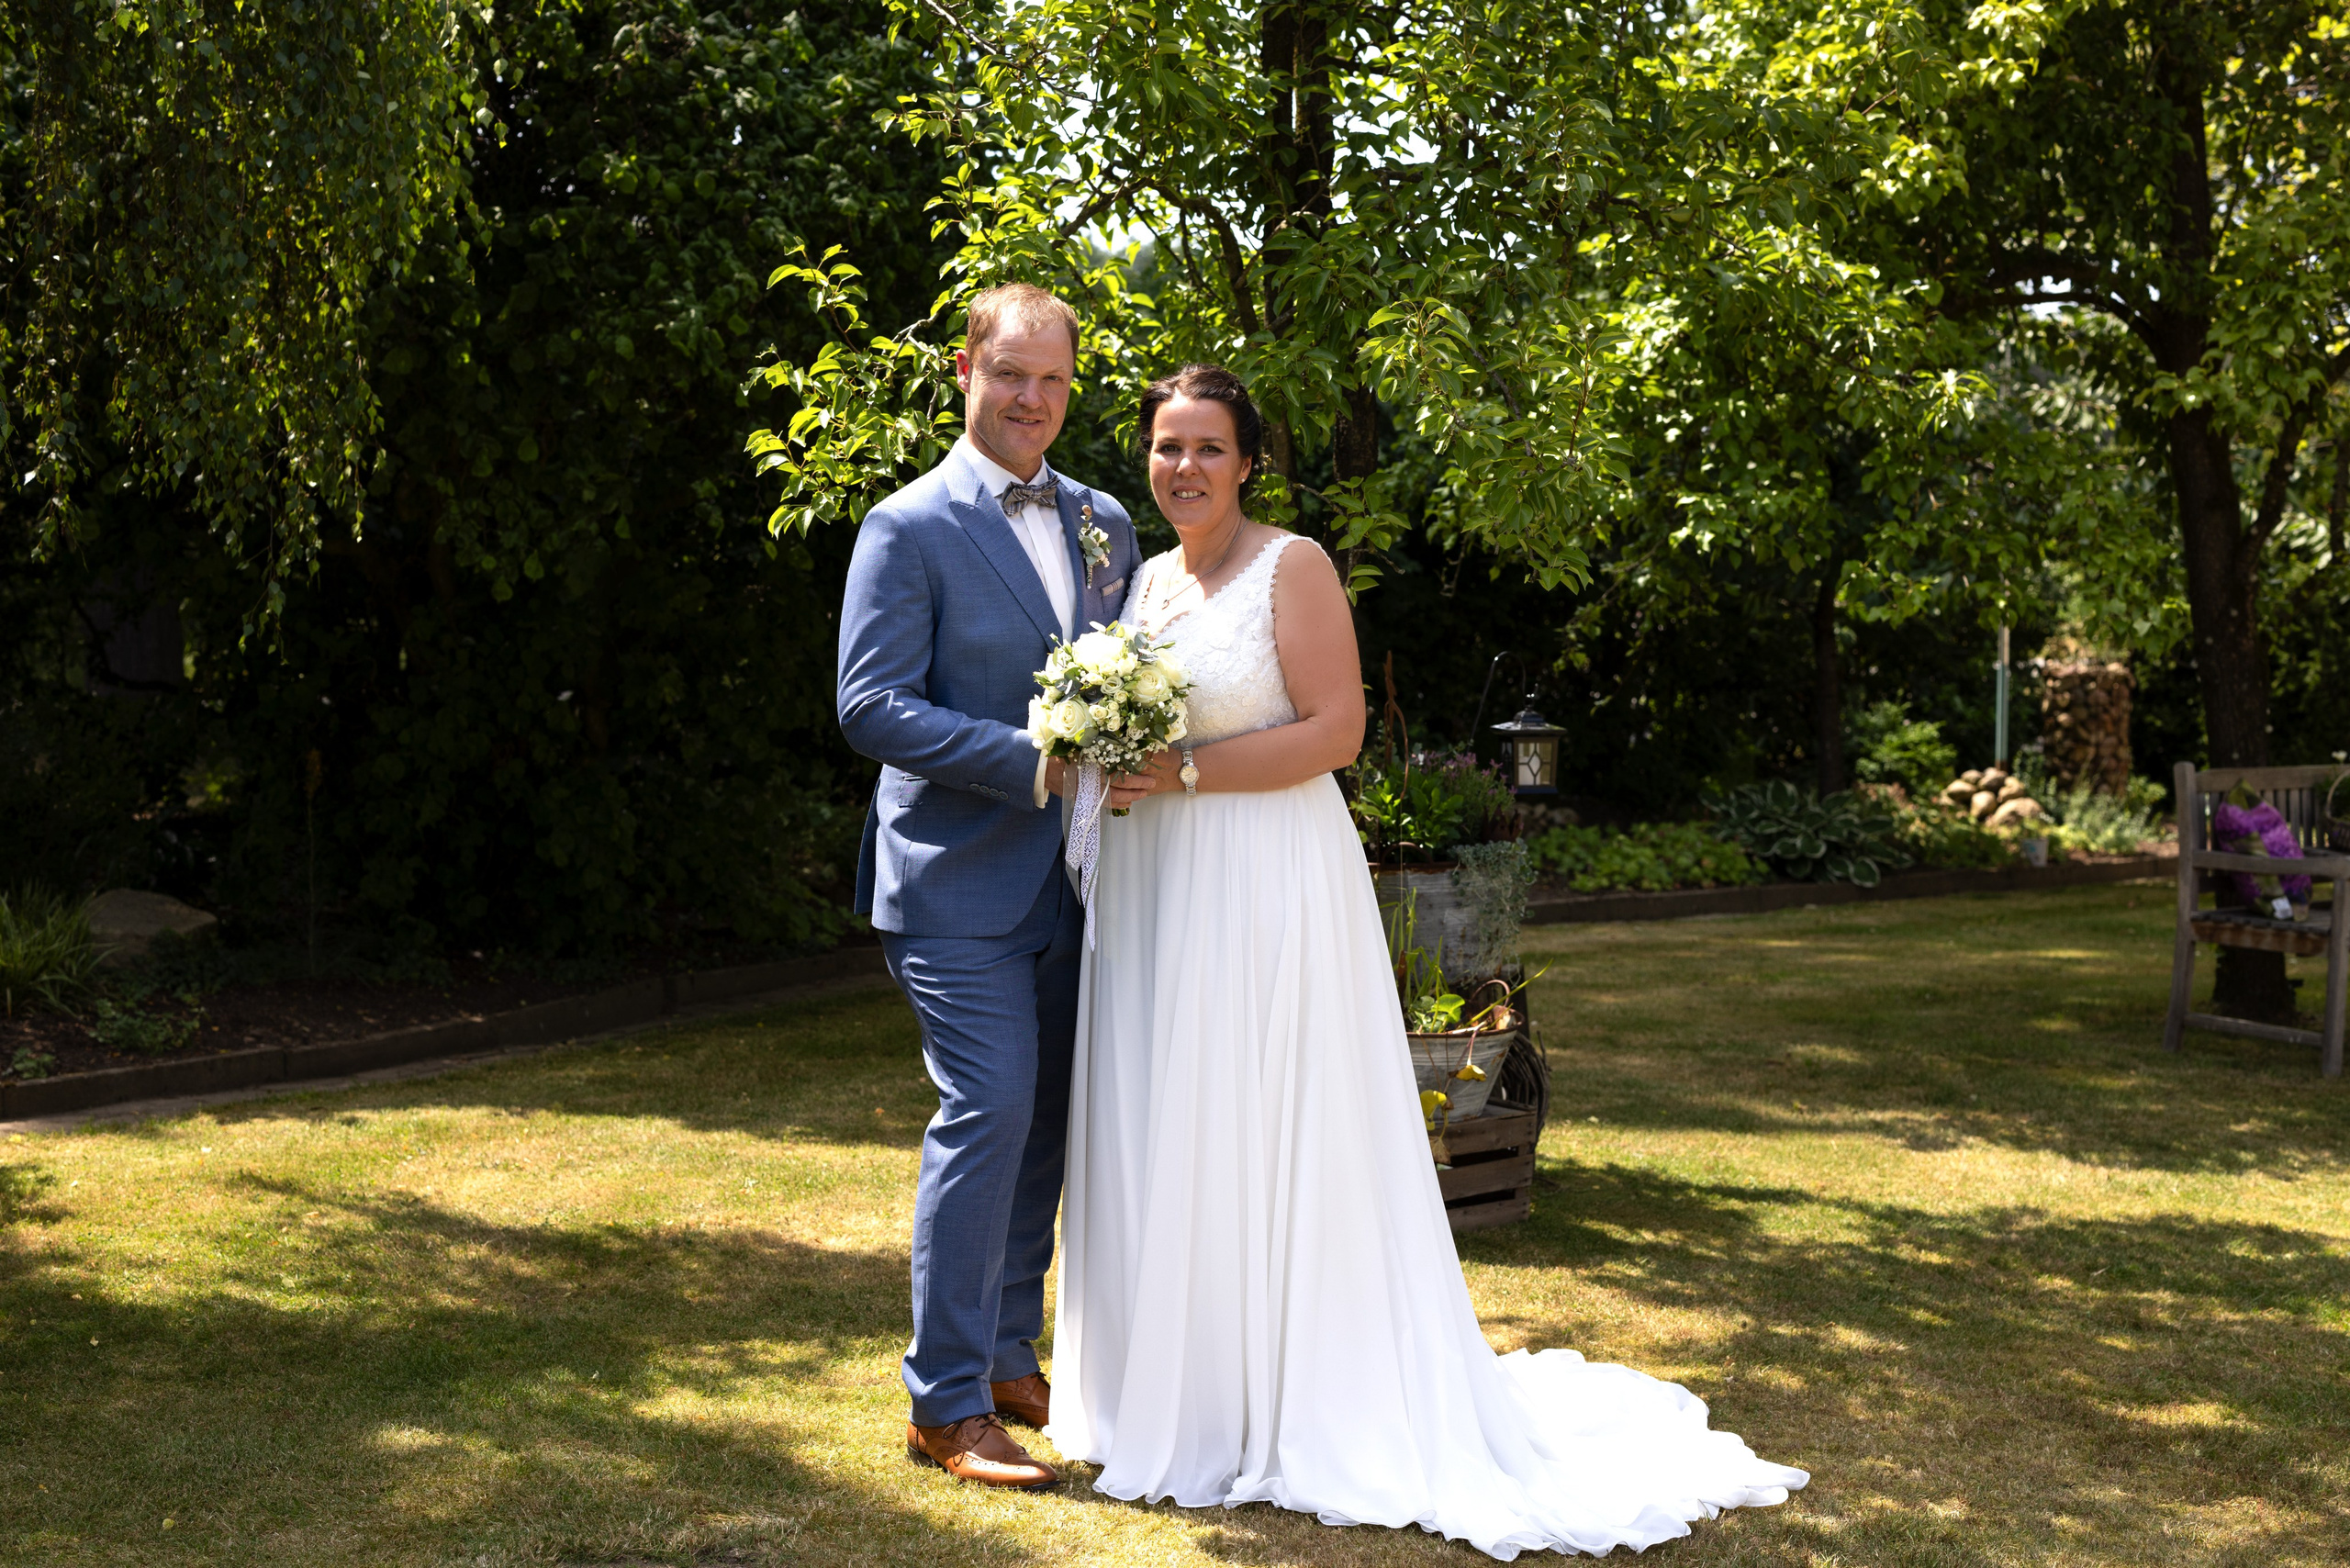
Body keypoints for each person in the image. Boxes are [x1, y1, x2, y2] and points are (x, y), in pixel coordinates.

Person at [1046, 363, 1809, 1557]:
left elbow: (1337, 732)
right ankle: (1188, 1392)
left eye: (1207, 447)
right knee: (1175, 1112)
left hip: (1264, 880)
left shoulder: (1293, 566)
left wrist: (1182, 771)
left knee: (1269, 1113)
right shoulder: (1144, 582)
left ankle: (1300, 1391)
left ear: (1248, 462)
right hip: (1162, 891)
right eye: (1166, 447)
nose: (1183, 467)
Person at [835, 282, 1147, 1491]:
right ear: (966, 370)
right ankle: (945, 1403)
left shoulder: (1105, 522)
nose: (1031, 398)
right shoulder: (906, 526)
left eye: (1052, 380)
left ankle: (1013, 1358)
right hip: (953, 881)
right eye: (1011, 373)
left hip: (1080, 879)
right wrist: (1033, 760)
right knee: (991, 1109)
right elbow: (870, 706)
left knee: (1049, 1124)